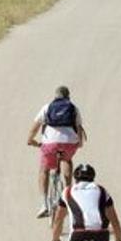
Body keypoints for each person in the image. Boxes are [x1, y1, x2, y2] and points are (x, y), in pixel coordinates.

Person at [50, 164, 121, 241]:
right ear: (93, 178)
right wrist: (118, 239)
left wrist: (55, 240)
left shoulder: (67, 192)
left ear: (75, 178)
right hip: (100, 232)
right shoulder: (102, 191)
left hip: (78, 234)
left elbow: (58, 219)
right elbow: (114, 219)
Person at [27, 85, 87, 218]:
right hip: (69, 143)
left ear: (55, 96)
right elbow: (78, 128)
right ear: (68, 97)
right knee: (67, 160)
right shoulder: (73, 108)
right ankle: (68, 195)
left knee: (44, 169)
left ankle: (44, 204)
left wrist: (30, 140)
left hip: (50, 144)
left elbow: (35, 127)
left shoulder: (47, 107)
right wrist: (79, 143)